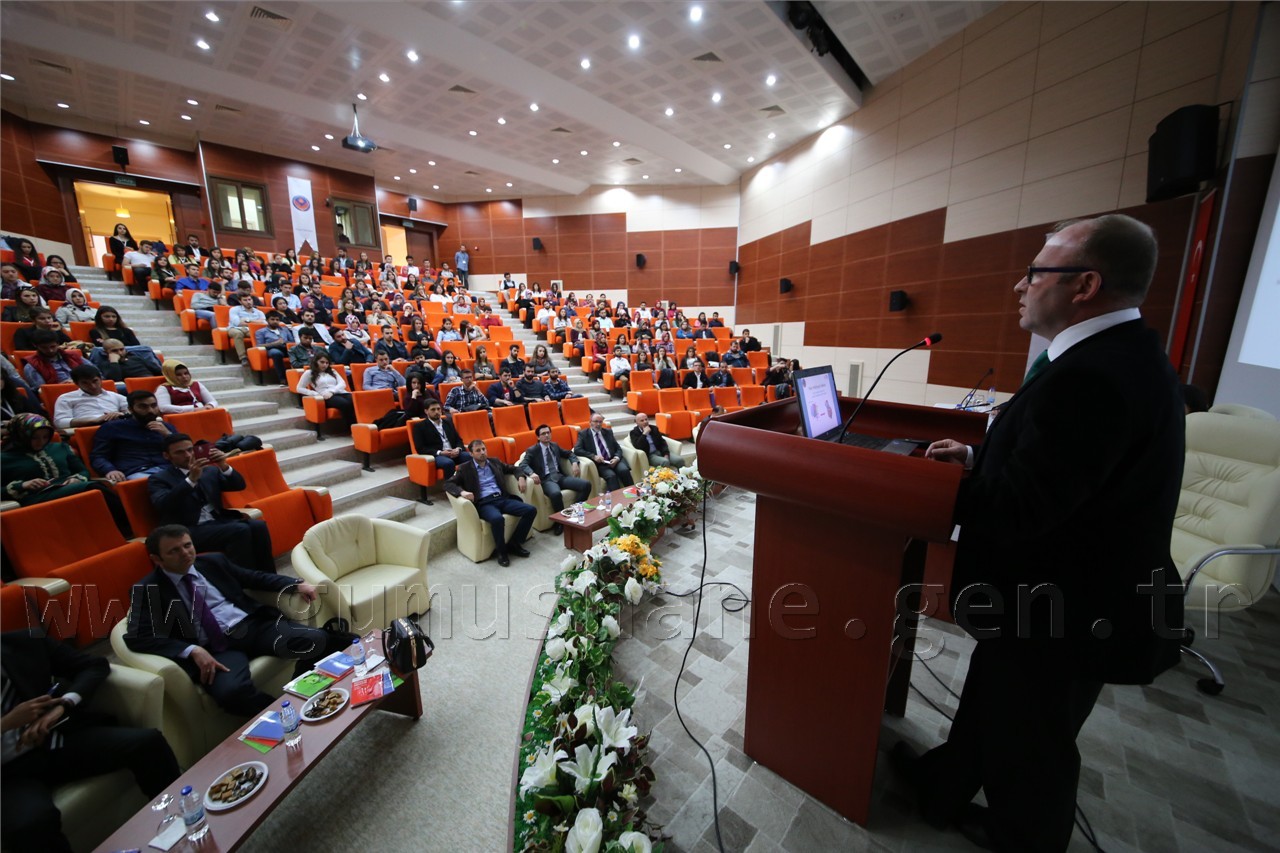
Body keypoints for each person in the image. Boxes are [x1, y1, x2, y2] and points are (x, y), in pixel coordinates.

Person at [895, 215, 1186, 853]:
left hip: (1066, 608)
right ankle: (942, 787)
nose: (1020, 285)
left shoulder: (1094, 376)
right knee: (995, 700)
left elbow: (1027, 508)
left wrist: (945, 488)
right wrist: (977, 462)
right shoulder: (1115, 356)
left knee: (1032, 751)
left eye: (1036, 271)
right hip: (1064, 591)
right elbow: (1069, 477)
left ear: (1084, 286)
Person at [0, 628, 180, 853]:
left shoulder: (24, 642)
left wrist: (63, 704)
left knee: (148, 743)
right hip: (8, 775)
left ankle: (181, 824)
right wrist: (6, 723)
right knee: (33, 823)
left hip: (54, 741)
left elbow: (94, 665)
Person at [124, 525, 330, 717]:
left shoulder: (213, 562)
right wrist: (190, 650)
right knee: (231, 692)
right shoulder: (147, 589)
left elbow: (253, 578)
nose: (185, 553)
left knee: (317, 638)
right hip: (215, 649)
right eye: (174, 551)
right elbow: (136, 636)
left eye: (187, 545)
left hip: (251, 626)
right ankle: (285, 716)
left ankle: (306, 693)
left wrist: (296, 583)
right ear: (157, 559)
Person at [149, 434, 275, 574]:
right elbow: (163, 504)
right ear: (167, 456)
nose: (187, 455)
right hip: (188, 529)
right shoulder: (158, 479)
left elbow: (239, 485)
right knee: (239, 530)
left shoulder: (209, 470)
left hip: (217, 521)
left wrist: (223, 464)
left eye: (190, 450)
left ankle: (269, 577)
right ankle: (243, 582)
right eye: (179, 452)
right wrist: (190, 481)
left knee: (258, 526)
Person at [1, 413, 133, 535]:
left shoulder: (59, 447)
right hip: (37, 496)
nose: (41, 442)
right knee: (94, 488)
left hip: (67, 485)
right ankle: (131, 523)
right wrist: (22, 485)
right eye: (34, 438)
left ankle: (122, 528)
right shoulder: (5, 458)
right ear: (21, 436)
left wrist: (77, 478)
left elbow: (82, 470)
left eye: (45, 437)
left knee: (94, 488)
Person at [444, 440, 536, 567]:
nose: (482, 452)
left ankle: (515, 543)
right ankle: (501, 552)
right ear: (471, 453)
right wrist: (462, 492)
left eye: (483, 449)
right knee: (497, 519)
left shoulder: (495, 462)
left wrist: (521, 477)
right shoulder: (464, 468)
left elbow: (514, 468)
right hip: (485, 503)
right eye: (478, 450)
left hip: (502, 499)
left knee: (530, 510)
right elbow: (448, 484)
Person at [90, 390, 178, 482]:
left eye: (153, 406)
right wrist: (110, 470)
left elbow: (184, 451)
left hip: (168, 469)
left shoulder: (166, 427)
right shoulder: (113, 427)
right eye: (143, 407)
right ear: (130, 409)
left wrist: (168, 435)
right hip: (136, 472)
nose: (150, 411)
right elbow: (98, 456)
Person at [521, 423, 590, 533]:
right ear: (538, 437)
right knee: (555, 494)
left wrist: (574, 463)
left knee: (586, 485)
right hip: (546, 479)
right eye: (543, 434)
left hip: (560, 476)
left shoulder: (554, 445)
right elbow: (523, 464)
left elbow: (569, 454)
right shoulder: (533, 450)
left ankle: (574, 512)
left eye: (548, 433)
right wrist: (532, 473)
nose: (547, 435)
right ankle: (561, 522)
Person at [52, 363, 127, 428]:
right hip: (87, 430)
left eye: (95, 381)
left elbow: (133, 413)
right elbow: (60, 422)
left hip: (117, 427)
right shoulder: (65, 398)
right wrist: (94, 420)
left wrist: (122, 415)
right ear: (77, 383)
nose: (93, 386)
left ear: (101, 379)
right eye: (85, 383)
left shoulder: (116, 397)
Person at [411, 399, 469, 480]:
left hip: (453, 452)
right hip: (437, 455)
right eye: (433, 409)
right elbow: (420, 448)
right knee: (448, 463)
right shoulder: (419, 427)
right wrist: (440, 452)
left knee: (469, 456)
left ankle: (470, 483)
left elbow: (458, 440)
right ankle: (451, 488)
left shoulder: (448, 422)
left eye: (438, 409)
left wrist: (458, 449)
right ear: (426, 411)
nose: (437, 412)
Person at [574, 412, 633, 490]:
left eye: (600, 422)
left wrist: (616, 458)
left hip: (614, 460)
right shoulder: (583, 434)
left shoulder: (608, 432)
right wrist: (593, 456)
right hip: (601, 464)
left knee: (624, 470)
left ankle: (634, 493)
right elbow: (577, 450)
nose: (598, 424)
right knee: (611, 476)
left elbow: (618, 448)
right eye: (596, 421)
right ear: (590, 422)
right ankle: (617, 499)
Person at [297, 353, 356, 428]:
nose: (324, 365)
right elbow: (299, 388)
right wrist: (315, 393)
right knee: (344, 404)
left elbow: (342, 383)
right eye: (322, 362)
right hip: (325, 396)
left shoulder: (332, 371)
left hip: (339, 392)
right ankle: (352, 427)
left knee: (355, 400)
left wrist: (332, 391)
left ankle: (361, 425)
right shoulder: (309, 373)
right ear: (316, 362)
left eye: (327, 363)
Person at [92, 338, 162, 385]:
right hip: (134, 385)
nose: (119, 353)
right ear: (105, 352)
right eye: (114, 351)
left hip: (152, 381)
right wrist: (114, 362)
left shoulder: (135, 357)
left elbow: (156, 370)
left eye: (122, 349)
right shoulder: (106, 364)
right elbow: (115, 380)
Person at [253, 311, 296, 385]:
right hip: (272, 349)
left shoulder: (285, 329)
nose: (275, 321)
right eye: (272, 319)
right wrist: (274, 344)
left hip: (286, 348)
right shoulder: (260, 332)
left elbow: (292, 341)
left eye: (277, 320)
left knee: (297, 351)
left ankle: (297, 377)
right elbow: (258, 346)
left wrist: (286, 343)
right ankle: (282, 378)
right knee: (276, 353)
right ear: (267, 320)